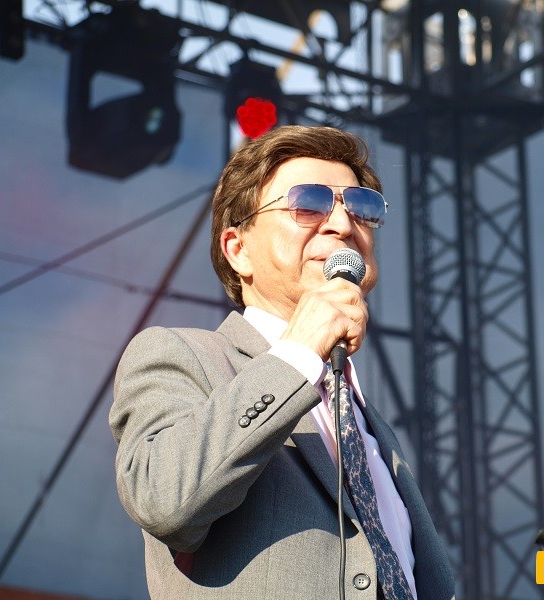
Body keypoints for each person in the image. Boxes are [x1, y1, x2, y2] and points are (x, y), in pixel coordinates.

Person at [109, 125, 455, 599]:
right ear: (238, 250)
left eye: (360, 206)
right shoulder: (181, 355)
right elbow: (164, 499)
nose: (342, 224)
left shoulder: (369, 425)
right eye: (308, 203)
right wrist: (299, 352)